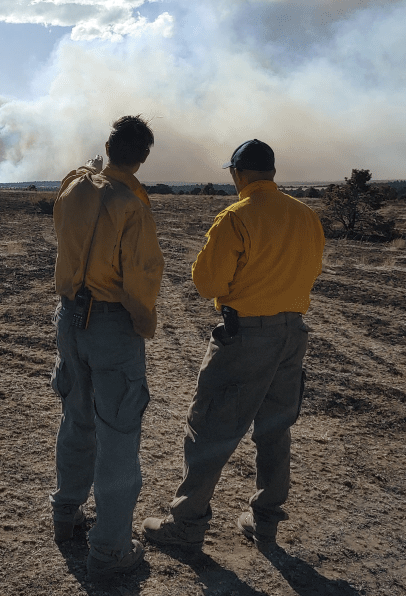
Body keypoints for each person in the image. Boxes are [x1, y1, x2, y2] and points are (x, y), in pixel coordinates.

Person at [141, 138, 325, 552]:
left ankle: (186, 524)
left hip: (246, 337)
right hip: (293, 335)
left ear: (238, 173)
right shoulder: (306, 215)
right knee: (275, 429)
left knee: (209, 428)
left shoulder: (235, 217)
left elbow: (207, 283)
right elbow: (312, 268)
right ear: (272, 172)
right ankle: (265, 521)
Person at [50, 115, 165, 580]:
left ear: (108, 145)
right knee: (118, 435)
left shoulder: (73, 187)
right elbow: (142, 277)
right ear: (143, 157)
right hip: (111, 324)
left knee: (76, 418)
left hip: (69, 318)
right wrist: (143, 323)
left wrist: (94, 166)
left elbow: (80, 175)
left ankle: (66, 513)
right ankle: (110, 549)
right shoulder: (132, 205)